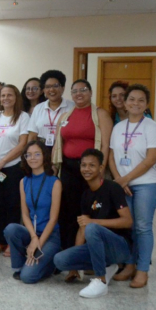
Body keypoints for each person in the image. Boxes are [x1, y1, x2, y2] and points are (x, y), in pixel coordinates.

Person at [53, 149, 133, 299]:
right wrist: (74, 267)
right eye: (83, 165)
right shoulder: (86, 194)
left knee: (92, 228)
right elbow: (82, 227)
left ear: (101, 168)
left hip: (120, 247)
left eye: (91, 165)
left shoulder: (112, 188)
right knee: (60, 260)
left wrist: (94, 222)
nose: (86, 169)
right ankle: (108, 267)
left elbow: (127, 221)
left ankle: (101, 281)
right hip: (98, 246)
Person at [52, 79, 113, 265]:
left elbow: (106, 144)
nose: (79, 94)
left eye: (83, 90)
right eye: (75, 91)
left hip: (91, 170)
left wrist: (101, 168)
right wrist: (55, 165)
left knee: (90, 211)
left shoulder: (100, 114)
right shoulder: (65, 116)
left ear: (91, 92)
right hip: (69, 169)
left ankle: (90, 256)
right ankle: (68, 253)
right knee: (69, 210)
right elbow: (58, 142)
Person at [108, 84, 156, 288]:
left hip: (145, 184)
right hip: (123, 185)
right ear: (125, 102)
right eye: (132, 99)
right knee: (128, 228)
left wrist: (125, 179)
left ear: (146, 104)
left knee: (143, 227)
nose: (135, 103)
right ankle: (129, 265)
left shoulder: (151, 126)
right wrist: (118, 180)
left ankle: (142, 270)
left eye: (141, 100)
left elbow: (151, 159)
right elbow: (112, 156)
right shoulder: (119, 127)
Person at [4, 141, 62, 283]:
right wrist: (33, 238)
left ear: (44, 156)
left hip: (49, 236)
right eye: (28, 155)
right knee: (11, 229)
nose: (32, 158)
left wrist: (39, 243)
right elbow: (25, 214)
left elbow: (53, 219)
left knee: (28, 277)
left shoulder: (55, 182)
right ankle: (19, 266)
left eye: (37, 154)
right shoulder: (23, 182)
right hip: (32, 233)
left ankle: (51, 263)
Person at [0, 84, 30, 255]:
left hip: (12, 168)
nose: (5, 98)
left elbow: (22, 144)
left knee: (13, 205)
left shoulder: (23, 117)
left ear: (16, 97)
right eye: (3, 95)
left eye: (9, 95)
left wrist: (1, 162)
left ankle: (12, 242)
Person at [28, 69, 74, 147]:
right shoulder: (38, 108)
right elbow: (32, 135)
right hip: (42, 148)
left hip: (64, 147)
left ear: (63, 88)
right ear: (44, 90)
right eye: (48, 87)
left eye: (55, 86)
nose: (51, 89)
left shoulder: (72, 107)